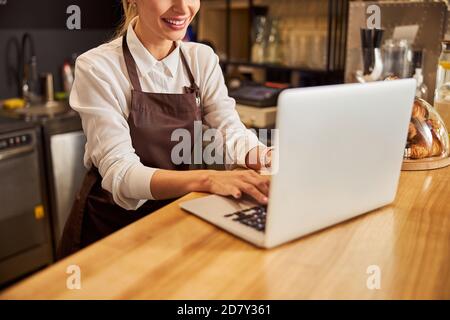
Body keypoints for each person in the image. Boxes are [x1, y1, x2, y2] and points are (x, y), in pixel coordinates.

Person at [57, 0, 272, 258]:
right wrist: (208, 179)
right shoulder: (98, 67)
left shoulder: (200, 59)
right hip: (111, 226)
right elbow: (122, 173)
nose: (182, 8)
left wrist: (263, 155)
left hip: (174, 213)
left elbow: (230, 128)